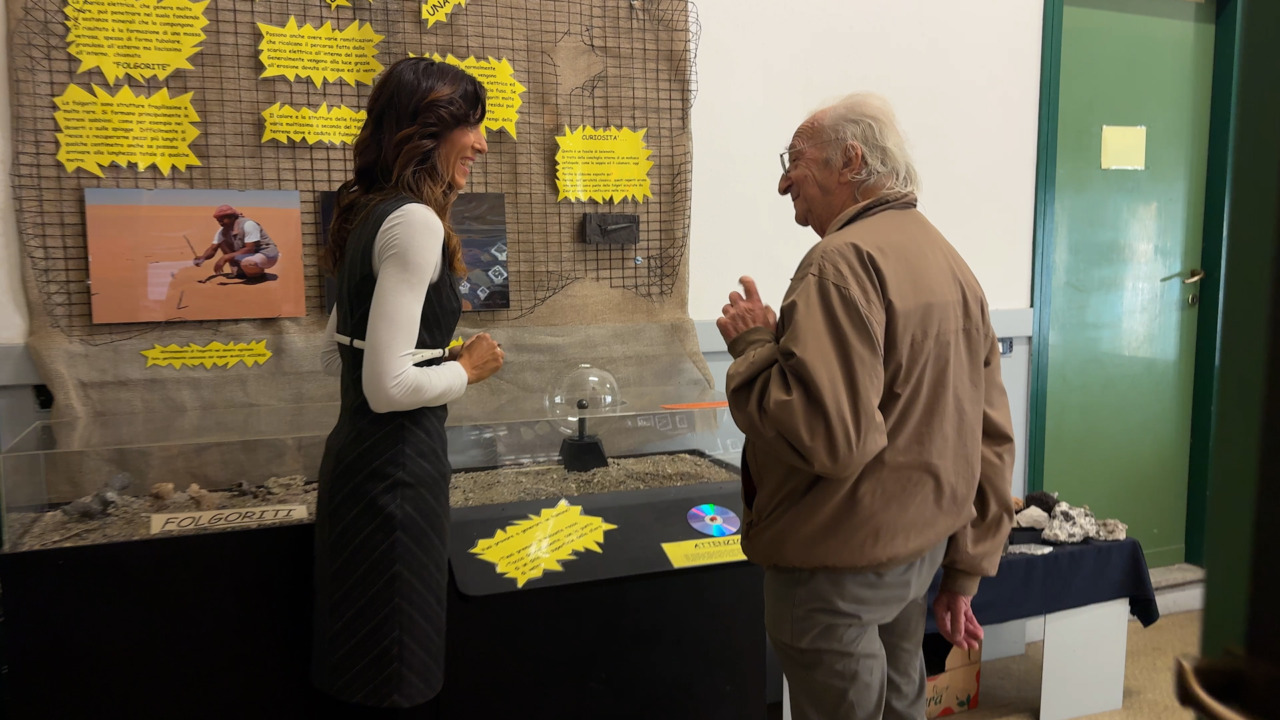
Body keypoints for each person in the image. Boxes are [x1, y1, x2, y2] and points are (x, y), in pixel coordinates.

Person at [716, 93, 1015, 720]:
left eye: (794, 160)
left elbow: (830, 438)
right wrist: (965, 570)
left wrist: (753, 347)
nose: (782, 183)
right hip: (914, 556)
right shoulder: (950, 261)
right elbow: (990, 434)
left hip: (833, 570)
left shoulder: (839, 263)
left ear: (851, 160)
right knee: (902, 702)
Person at [312, 57, 504, 712]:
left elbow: (342, 348)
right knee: (397, 665)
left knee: (364, 660)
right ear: (427, 130)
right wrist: (465, 369)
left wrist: (432, 353)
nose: (481, 144)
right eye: (471, 126)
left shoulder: (368, 210)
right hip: (397, 476)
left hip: (358, 468)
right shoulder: (416, 221)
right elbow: (387, 387)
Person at [193, 205, 280, 280]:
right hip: (250, 254)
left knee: (248, 263)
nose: (220, 223)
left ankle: (258, 275)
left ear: (232, 217)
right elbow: (213, 248)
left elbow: (249, 249)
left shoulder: (248, 224)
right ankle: (240, 272)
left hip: (267, 254)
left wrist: (225, 257)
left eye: (222, 219)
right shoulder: (223, 231)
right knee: (222, 242)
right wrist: (203, 257)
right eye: (218, 220)